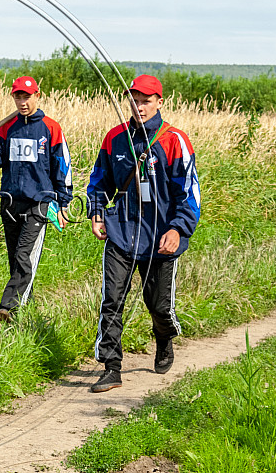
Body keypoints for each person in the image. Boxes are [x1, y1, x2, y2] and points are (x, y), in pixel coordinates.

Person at [86, 74, 201, 392]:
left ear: (159, 102)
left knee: (160, 308)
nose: (139, 106)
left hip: (160, 239)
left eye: (146, 100)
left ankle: (164, 338)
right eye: (134, 100)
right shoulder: (114, 139)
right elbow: (99, 181)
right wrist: (96, 212)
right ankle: (111, 367)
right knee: (112, 300)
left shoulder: (174, 140)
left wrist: (178, 229)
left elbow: (188, 194)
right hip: (121, 232)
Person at [0, 76, 73, 323]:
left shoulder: (51, 128)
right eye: (18, 97)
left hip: (39, 202)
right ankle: (25, 312)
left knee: (24, 254)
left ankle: (7, 307)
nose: (22, 102)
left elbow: (62, 165)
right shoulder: (8, 128)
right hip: (10, 201)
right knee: (15, 260)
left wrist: (63, 203)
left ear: (37, 96)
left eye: (27, 96)